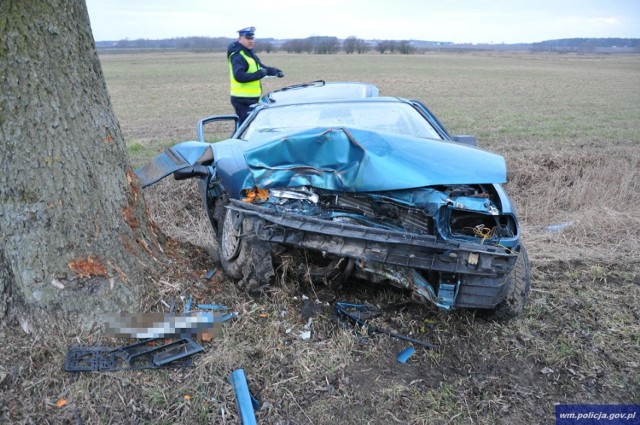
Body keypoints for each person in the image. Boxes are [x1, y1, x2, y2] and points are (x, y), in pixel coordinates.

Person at [227, 26, 284, 123]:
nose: (250, 41)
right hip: (242, 100)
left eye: (252, 38)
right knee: (247, 130)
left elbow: (262, 68)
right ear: (240, 39)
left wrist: (275, 71)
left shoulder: (249, 54)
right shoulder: (238, 55)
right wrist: (259, 74)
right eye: (247, 38)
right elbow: (239, 76)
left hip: (251, 99)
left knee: (248, 128)